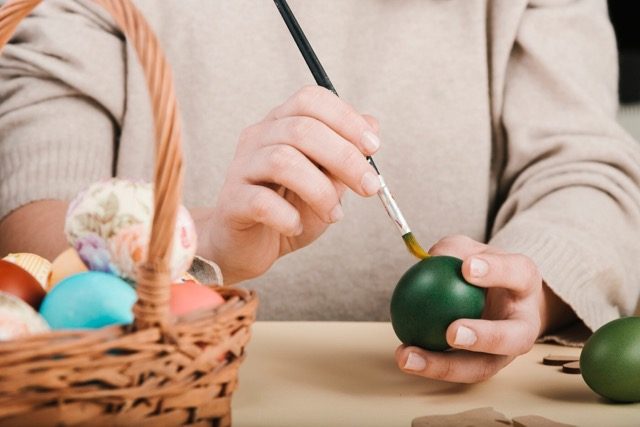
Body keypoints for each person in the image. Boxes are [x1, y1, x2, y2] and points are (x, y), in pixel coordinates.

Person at [1, 0, 639, 384]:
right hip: (154, 398)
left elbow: (583, 167)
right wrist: (205, 243)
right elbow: (29, 224)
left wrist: (531, 280)